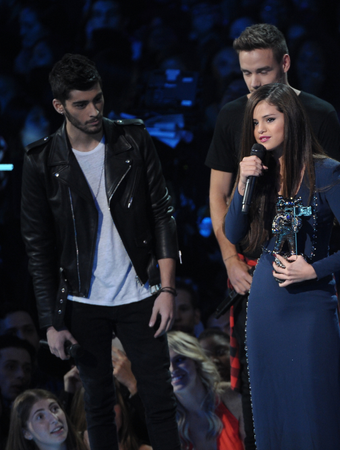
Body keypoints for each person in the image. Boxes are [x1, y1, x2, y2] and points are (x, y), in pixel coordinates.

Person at [20, 54, 180, 450]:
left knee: (160, 400)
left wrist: (167, 289)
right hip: (81, 300)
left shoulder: (132, 138)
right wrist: (50, 322)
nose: (93, 111)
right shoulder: (41, 161)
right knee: (98, 404)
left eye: (98, 100)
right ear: (59, 106)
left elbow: (163, 213)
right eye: (81, 104)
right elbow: (37, 245)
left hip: (141, 292)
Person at [205, 23, 340, 449]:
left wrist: (319, 265)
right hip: (252, 272)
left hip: (307, 272)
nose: (254, 84)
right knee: (257, 393)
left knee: (312, 391)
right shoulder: (234, 115)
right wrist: (230, 261)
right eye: (246, 74)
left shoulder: (319, 114)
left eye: (263, 72)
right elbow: (217, 194)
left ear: (285, 64)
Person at [224, 83, 340, 449]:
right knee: (270, 405)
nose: (260, 128)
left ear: (290, 119)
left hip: (309, 303)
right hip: (265, 304)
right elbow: (233, 231)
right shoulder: (259, 176)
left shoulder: (326, 172)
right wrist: (243, 182)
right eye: (256, 121)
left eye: (270, 119)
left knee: (313, 407)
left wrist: (314, 270)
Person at [167, 331, 244, 450]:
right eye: (166, 364)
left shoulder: (231, 396)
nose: (172, 369)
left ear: (195, 361)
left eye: (180, 359)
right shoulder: (164, 421)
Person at [6, 388, 87, 450]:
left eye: (55, 409)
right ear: (26, 433)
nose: (54, 419)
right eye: (40, 416)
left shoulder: (89, 440)